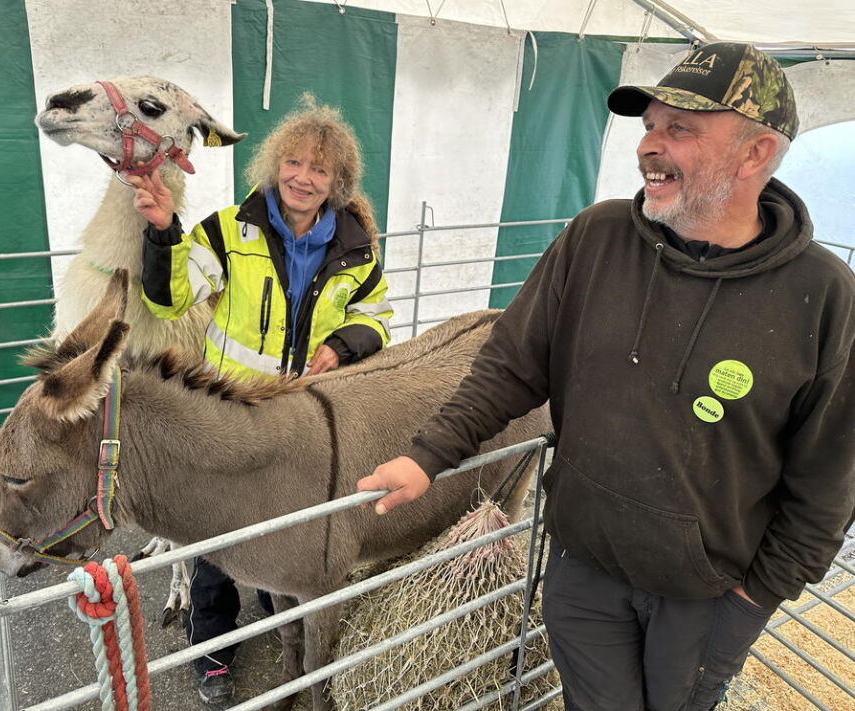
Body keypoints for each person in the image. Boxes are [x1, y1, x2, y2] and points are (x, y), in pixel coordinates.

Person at [357, 42, 854, 710]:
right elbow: (509, 365)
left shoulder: (824, 296)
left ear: (755, 153)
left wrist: (755, 596)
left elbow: (829, 479)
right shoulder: (596, 239)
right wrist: (428, 456)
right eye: (649, 125)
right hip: (582, 569)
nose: (650, 145)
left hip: (704, 596)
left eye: (681, 129)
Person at [132, 97, 393, 707]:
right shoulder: (229, 231)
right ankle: (214, 649)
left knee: (286, 529)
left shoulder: (355, 247)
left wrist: (341, 344)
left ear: (338, 183)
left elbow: (376, 315)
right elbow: (172, 298)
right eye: (293, 162)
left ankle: (289, 631)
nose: (303, 177)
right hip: (231, 414)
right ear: (274, 166)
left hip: (304, 419)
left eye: (319, 170)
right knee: (216, 532)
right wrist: (164, 229)